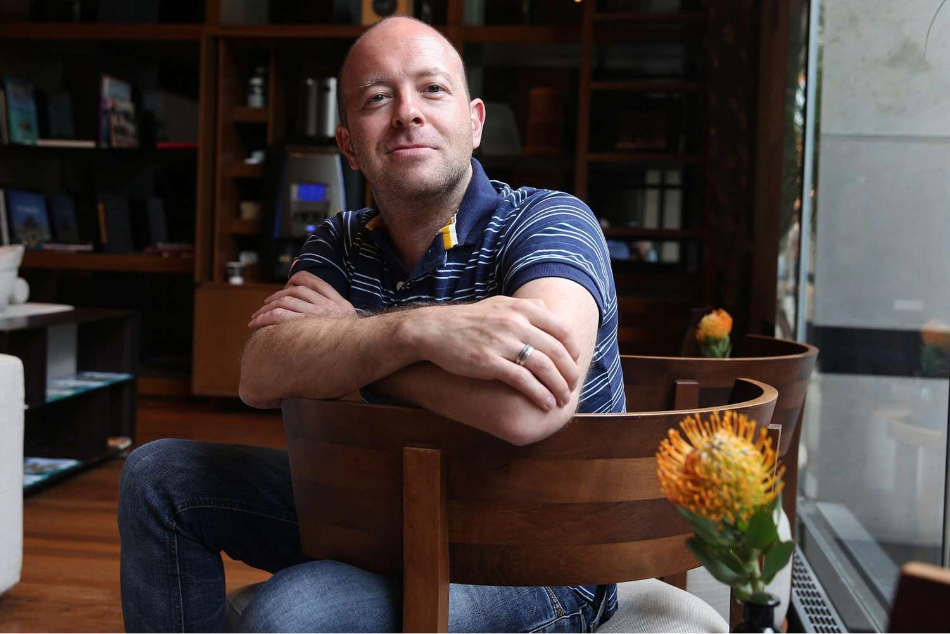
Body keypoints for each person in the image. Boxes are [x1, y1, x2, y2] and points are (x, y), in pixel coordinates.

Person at [119, 16, 625, 633]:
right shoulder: (340, 239)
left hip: (533, 557)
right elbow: (259, 372)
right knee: (158, 476)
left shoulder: (549, 221)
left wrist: (361, 342)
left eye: (432, 90)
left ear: (475, 121)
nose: (407, 112)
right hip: (382, 513)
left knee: (292, 613)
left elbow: (528, 407)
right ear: (349, 145)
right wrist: (417, 334)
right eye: (377, 98)